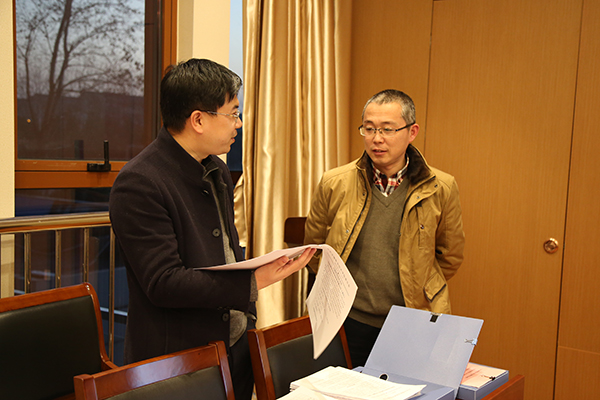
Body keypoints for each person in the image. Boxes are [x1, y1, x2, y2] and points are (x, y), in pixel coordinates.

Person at [109, 58, 316, 400]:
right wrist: (254, 281)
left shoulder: (216, 169)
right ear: (198, 120)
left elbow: (224, 252)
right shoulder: (140, 182)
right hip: (181, 363)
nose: (238, 123)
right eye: (233, 113)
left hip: (234, 344)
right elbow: (164, 283)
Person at [304, 89, 464, 367]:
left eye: (387, 129)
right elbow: (314, 248)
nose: (377, 138)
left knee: (408, 387)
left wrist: (419, 285)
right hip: (347, 320)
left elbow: (449, 256)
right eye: (369, 129)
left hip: (411, 321)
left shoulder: (441, 187)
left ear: (412, 132)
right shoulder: (334, 182)